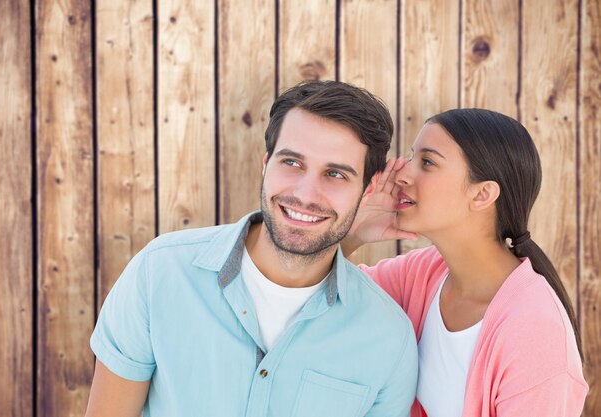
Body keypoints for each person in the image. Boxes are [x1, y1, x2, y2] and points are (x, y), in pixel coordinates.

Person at [84, 80, 418, 417]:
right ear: (266, 162)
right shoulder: (159, 274)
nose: (306, 193)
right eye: (292, 163)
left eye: (335, 174)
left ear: (368, 188)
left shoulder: (388, 338)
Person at [342, 108, 588, 417]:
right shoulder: (424, 273)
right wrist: (353, 233)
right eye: (411, 156)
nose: (402, 173)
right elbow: (320, 296)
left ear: (483, 194)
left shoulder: (536, 332)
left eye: (427, 162)